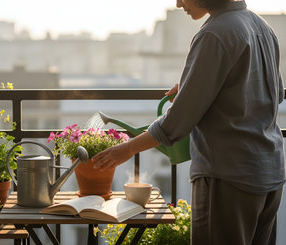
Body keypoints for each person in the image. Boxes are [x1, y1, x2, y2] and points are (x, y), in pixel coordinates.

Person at [92, 0, 285, 244]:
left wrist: (126, 149)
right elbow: (276, 94)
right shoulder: (262, 27)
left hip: (229, 178)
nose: (178, 3)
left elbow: (177, 121)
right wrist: (195, 87)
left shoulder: (214, 33)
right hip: (269, 175)